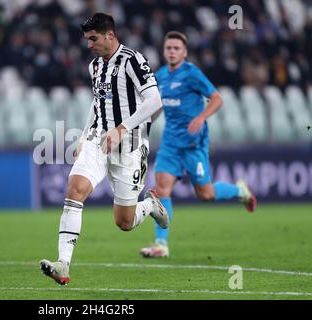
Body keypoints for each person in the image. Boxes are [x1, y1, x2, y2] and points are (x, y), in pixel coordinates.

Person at [39, 13, 169, 285]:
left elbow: (154, 100)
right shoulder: (95, 66)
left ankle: (150, 205)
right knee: (75, 189)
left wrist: (122, 129)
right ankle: (63, 263)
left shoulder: (133, 60)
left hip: (130, 146)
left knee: (124, 221)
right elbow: (97, 103)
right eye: (87, 40)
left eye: (93, 39)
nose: (89, 45)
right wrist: (84, 137)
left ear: (110, 35)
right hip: (99, 140)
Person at [140, 31, 256, 258]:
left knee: (206, 194)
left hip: (194, 144)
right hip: (170, 145)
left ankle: (240, 191)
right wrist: (146, 122)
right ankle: (161, 244)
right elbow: (158, 105)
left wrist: (202, 116)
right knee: (161, 189)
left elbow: (217, 98)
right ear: (164, 51)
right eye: (168, 48)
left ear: (184, 52)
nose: (172, 51)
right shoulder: (160, 76)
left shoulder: (192, 74)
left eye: (176, 48)